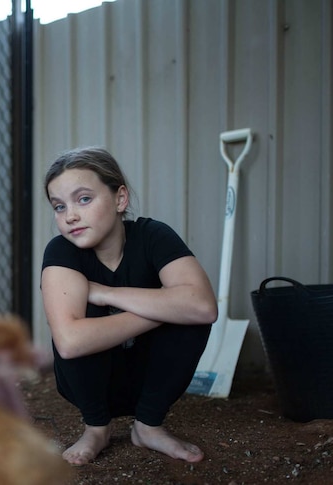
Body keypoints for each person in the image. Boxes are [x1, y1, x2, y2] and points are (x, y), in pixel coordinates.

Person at [39, 146, 217, 465]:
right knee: (80, 317)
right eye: (59, 206)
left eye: (83, 199)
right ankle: (96, 428)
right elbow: (70, 342)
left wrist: (106, 294)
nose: (70, 216)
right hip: (91, 383)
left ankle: (148, 426)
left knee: (190, 316)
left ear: (120, 199)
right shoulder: (61, 252)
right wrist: (163, 309)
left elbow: (203, 307)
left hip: (152, 376)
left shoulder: (153, 236)